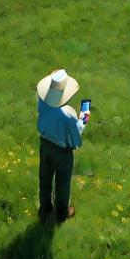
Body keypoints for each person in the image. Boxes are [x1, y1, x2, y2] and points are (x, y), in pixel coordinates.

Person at [35, 67, 89, 225]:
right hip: (62, 152)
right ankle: (61, 212)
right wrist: (84, 116)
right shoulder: (68, 114)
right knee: (63, 181)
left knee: (44, 178)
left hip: (45, 145)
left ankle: (44, 209)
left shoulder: (42, 102)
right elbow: (76, 132)